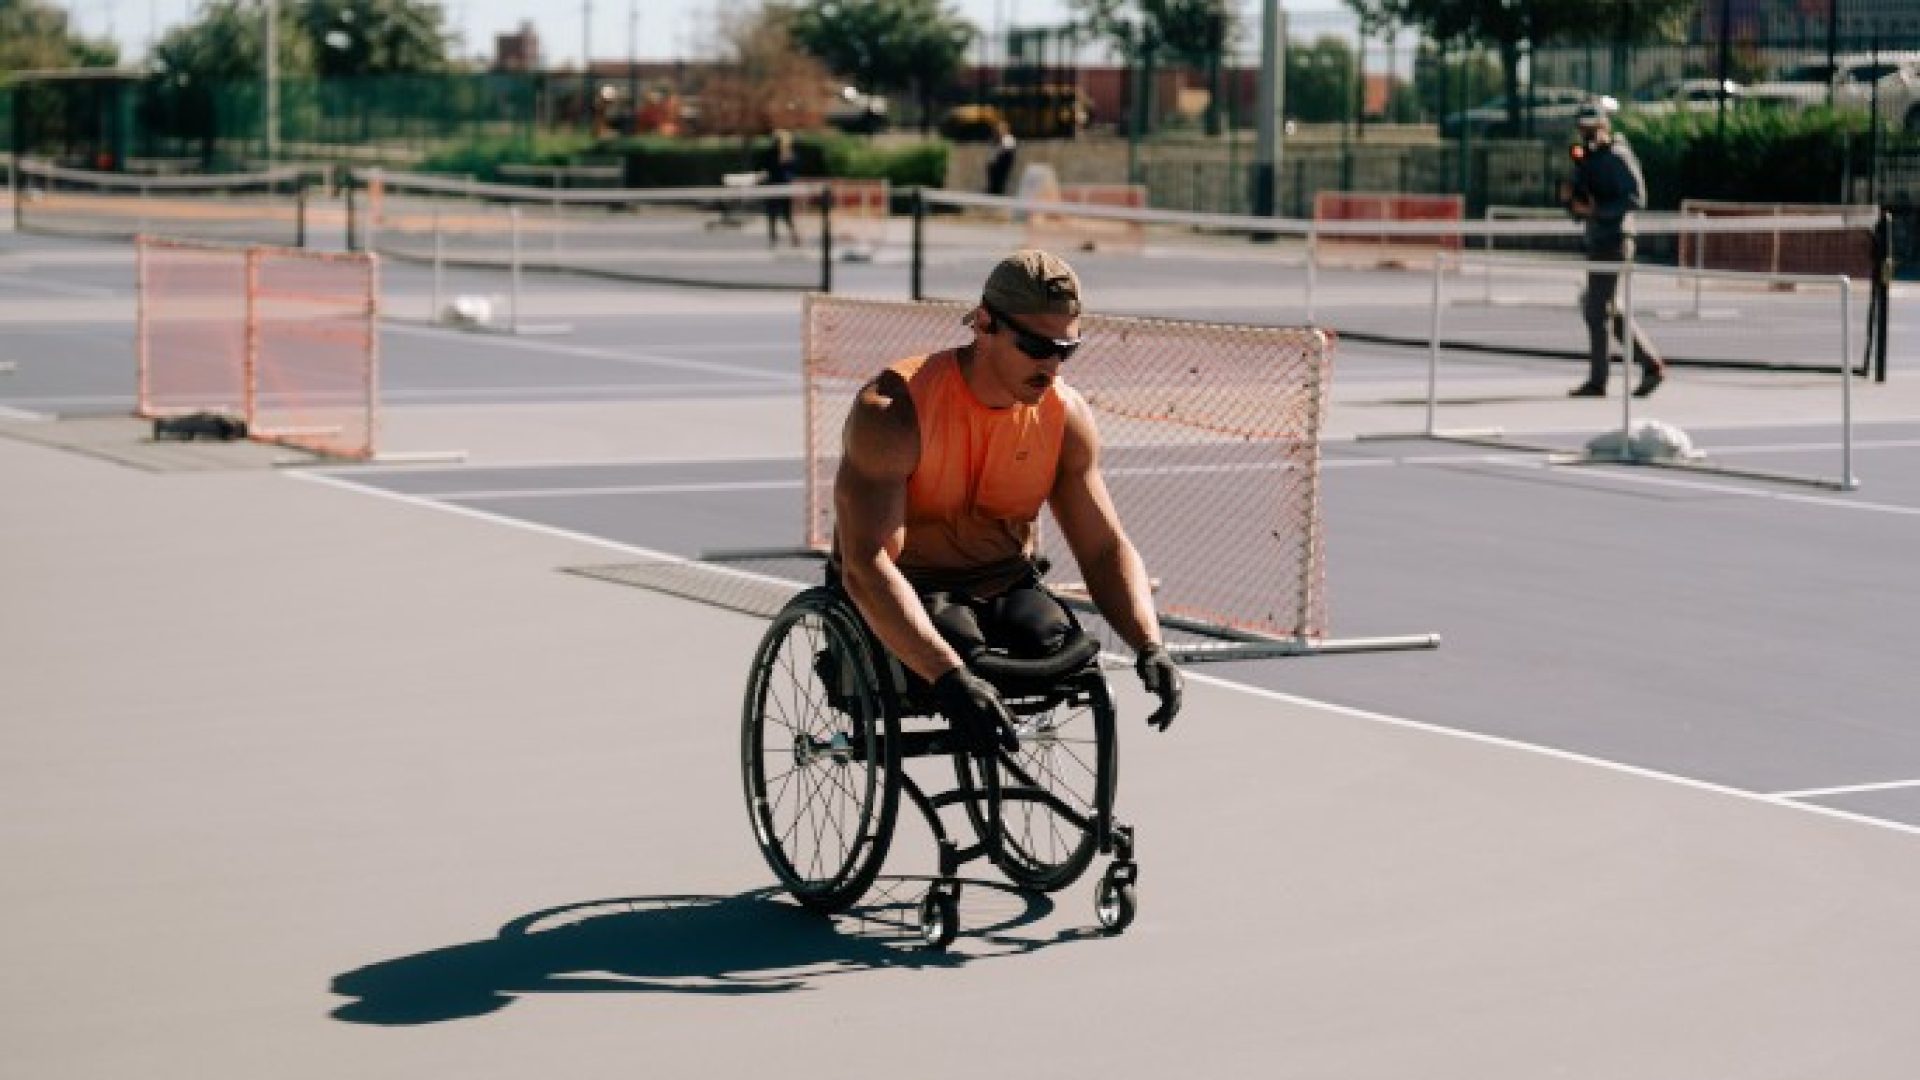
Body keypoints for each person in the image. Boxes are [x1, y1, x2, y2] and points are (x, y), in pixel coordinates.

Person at [833, 249, 1183, 752]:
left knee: (1062, 648)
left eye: (1067, 349)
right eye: (1036, 345)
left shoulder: (1065, 416)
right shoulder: (894, 412)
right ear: (983, 324)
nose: (1051, 365)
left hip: (1002, 581)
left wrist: (1151, 646)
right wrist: (948, 676)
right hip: (910, 583)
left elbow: (1104, 549)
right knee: (961, 647)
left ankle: (1097, 830)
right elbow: (865, 566)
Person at [1561, 102, 1668, 398]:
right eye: (1582, 130)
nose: (1586, 136)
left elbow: (1636, 198)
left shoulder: (1619, 156)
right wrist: (1573, 202)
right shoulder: (1589, 159)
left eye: (1591, 129)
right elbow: (1582, 202)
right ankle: (1651, 365)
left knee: (1597, 310)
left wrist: (1599, 211)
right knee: (1605, 308)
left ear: (1604, 126)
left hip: (1614, 239)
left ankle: (1599, 381)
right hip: (1598, 238)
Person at [759, 129, 801, 248]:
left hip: (783, 186)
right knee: (774, 214)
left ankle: (792, 237)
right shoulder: (770, 153)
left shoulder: (788, 154)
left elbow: (793, 169)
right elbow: (765, 169)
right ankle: (775, 238)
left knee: (784, 214)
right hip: (773, 186)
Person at [985, 121, 1017, 196]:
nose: (998, 131)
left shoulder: (1008, 139)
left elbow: (1005, 152)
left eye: (1000, 129)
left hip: (1001, 164)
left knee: (999, 182)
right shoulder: (997, 139)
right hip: (996, 163)